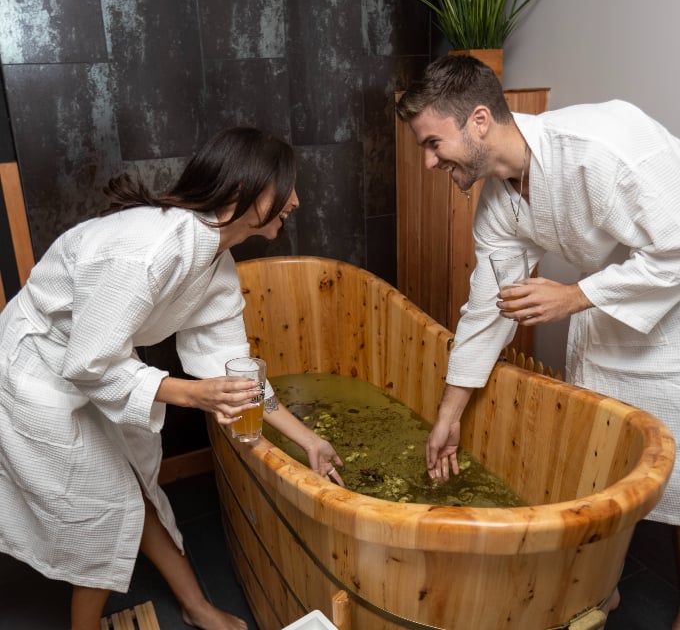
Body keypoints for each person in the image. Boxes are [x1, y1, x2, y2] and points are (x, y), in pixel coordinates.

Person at [0, 126, 345, 630]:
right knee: (108, 507)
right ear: (242, 192)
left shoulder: (216, 266)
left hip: (95, 370)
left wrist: (308, 440)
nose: (296, 199)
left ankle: (195, 605)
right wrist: (189, 393)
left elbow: (236, 372)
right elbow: (87, 361)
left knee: (132, 485)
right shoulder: (147, 248)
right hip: (37, 373)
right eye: (286, 186)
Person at [396, 54, 680, 624]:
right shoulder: (500, 200)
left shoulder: (601, 147)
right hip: (607, 321)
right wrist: (450, 412)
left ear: (479, 120)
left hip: (670, 321)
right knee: (604, 472)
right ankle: (603, 587)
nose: (428, 162)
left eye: (432, 144)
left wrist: (575, 296)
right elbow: (489, 307)